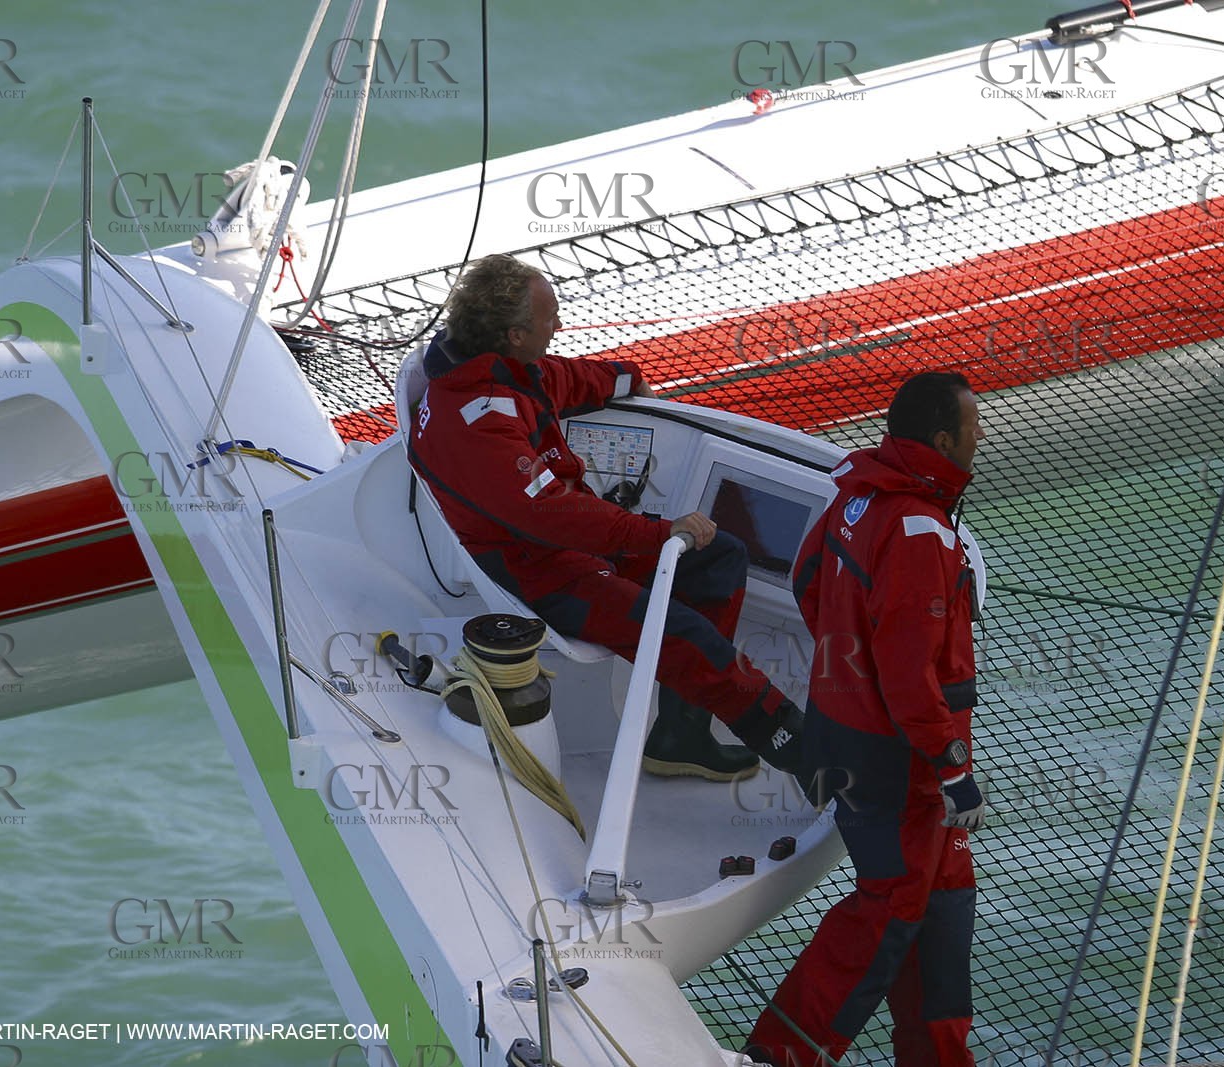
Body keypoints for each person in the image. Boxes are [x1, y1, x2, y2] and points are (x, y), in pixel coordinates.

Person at [407, 253, 804, 781]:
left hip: (570, 551)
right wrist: (658, 535)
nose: (560, 325)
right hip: (542, 574)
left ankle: (679, 737)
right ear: (516, 334)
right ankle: (805, 753)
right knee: (684, 636)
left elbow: (568, 379)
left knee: (719, 557)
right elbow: (551, 515)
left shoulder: (506, 372)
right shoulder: (476, 422)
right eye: (551, 317)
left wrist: (627, 379)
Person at [746, 371, 990, 1067]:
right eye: (974, 425)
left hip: (852, 738)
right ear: (942, 440)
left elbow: (805, 577)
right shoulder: (921, 529)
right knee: (886, 913)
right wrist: (953, 768)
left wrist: (843, 672)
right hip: (904, 765)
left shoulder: (859, 495)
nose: (982, 435)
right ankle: (780, 1054)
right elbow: (910, 670)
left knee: (941, 913)